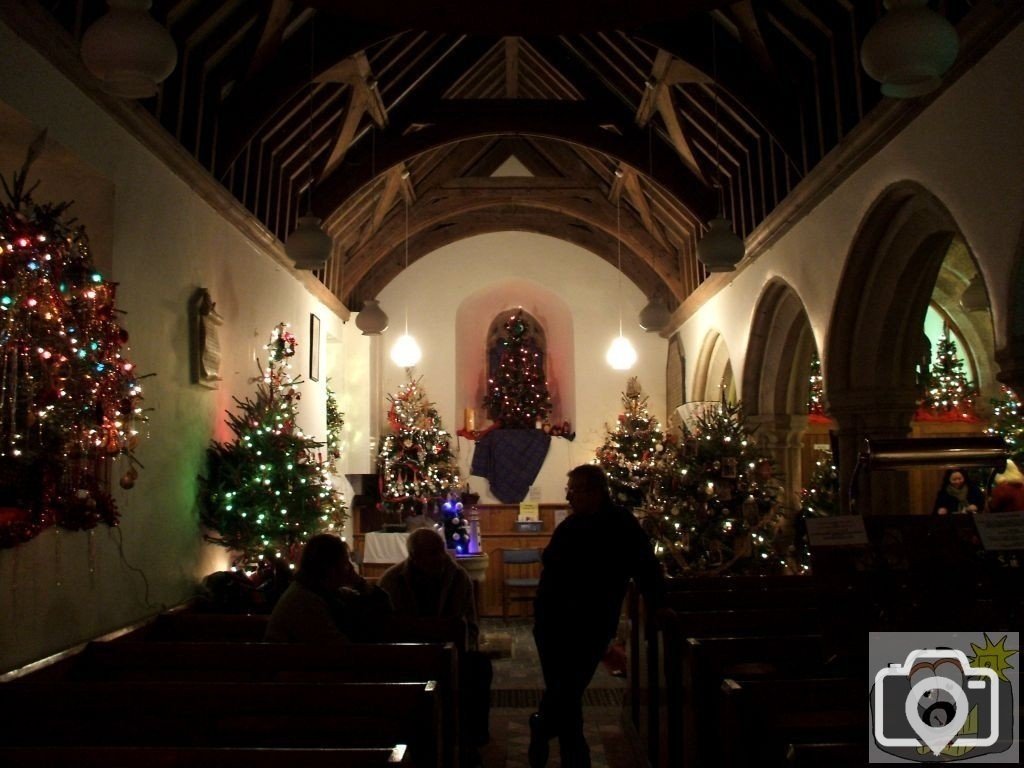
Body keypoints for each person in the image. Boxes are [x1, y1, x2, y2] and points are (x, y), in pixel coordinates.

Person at [529, 464, 664, 768]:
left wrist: (657, 604)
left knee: (568, 687)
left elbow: (645, 566)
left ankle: (543, 728)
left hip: (591, 622)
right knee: (566, 690)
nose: (570, 496)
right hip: (553, 622)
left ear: (595, 491)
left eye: (575, 490)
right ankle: (575, 755)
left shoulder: (620, 525)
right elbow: (552, 564)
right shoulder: (571, 525)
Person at [379, 528, 493, 763]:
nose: (438, 558)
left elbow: (471, 624)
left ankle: (470, 740)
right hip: (408, 655)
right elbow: (387, 626)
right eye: (430, 554)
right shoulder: (393, 580)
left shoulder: (458, 577)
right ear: (414, 557)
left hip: (451, 652)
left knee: (479, 668)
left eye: (439, 551)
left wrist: (462, 646)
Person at [264, 533, 389, 642]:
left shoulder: (323, 591)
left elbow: (382, 603)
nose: (350, 568)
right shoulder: (305, 602)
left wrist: (359, 583)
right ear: (331, 568)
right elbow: (338, 650)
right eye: (345, 562)